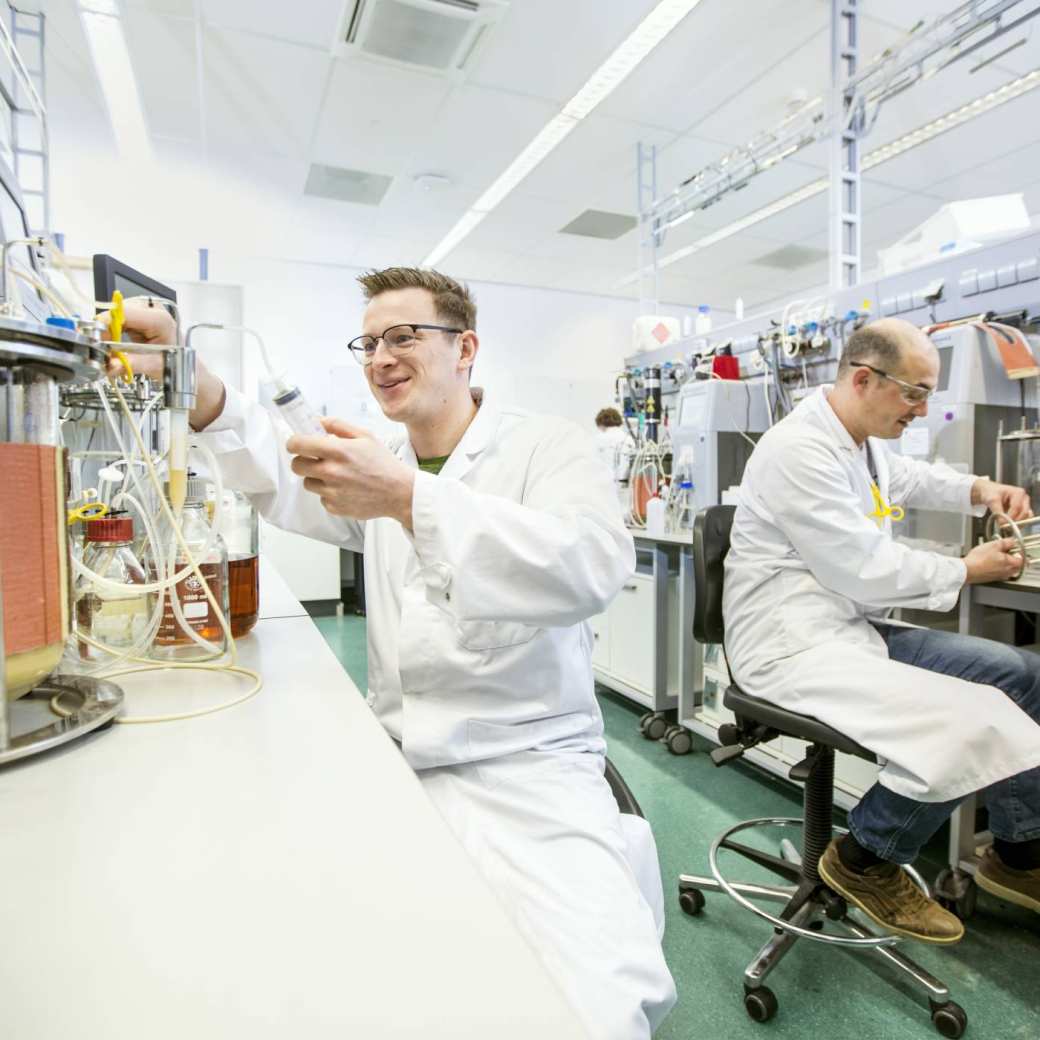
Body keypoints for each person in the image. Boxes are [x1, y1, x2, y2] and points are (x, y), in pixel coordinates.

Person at [112, 267, 676, 1039]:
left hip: (531, 769)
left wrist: (410, 499)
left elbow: (590, 564)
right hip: (400, 760)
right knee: (339, 976)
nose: (380, 356)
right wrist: (195, 380)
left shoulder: (548, 445)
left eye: (404, 336)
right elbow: (282, 471)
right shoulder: (382, 456)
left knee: (596, 1003)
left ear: (466, 347)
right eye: (370, 342)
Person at [724, 317, 1040, 945]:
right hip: (792, 647)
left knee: (1022, 675)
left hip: (848, 628)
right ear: (864, 378)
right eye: (915, 394)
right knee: (975, 718)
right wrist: (964, 569)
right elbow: (862, 570)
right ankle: (864, 855)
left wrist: (981, 489)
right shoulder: (799, 450)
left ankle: (1018, 851)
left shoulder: (858, 439)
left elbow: (910, 480)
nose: (922, 412)